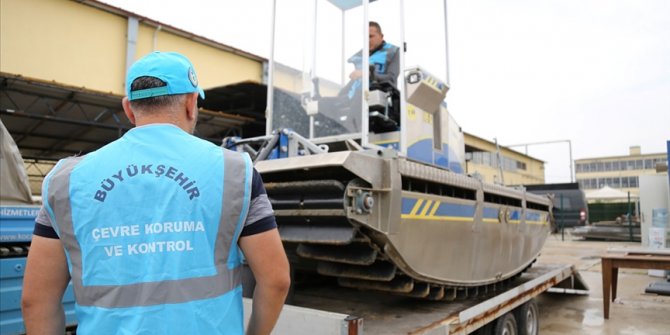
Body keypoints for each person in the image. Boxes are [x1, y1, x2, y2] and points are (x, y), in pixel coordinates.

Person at [21, 51, 290, 335]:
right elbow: (276, 280)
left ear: (129, 108)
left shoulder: (65, 181)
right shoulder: (236, 172)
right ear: (190, 104)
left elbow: (36, 302)